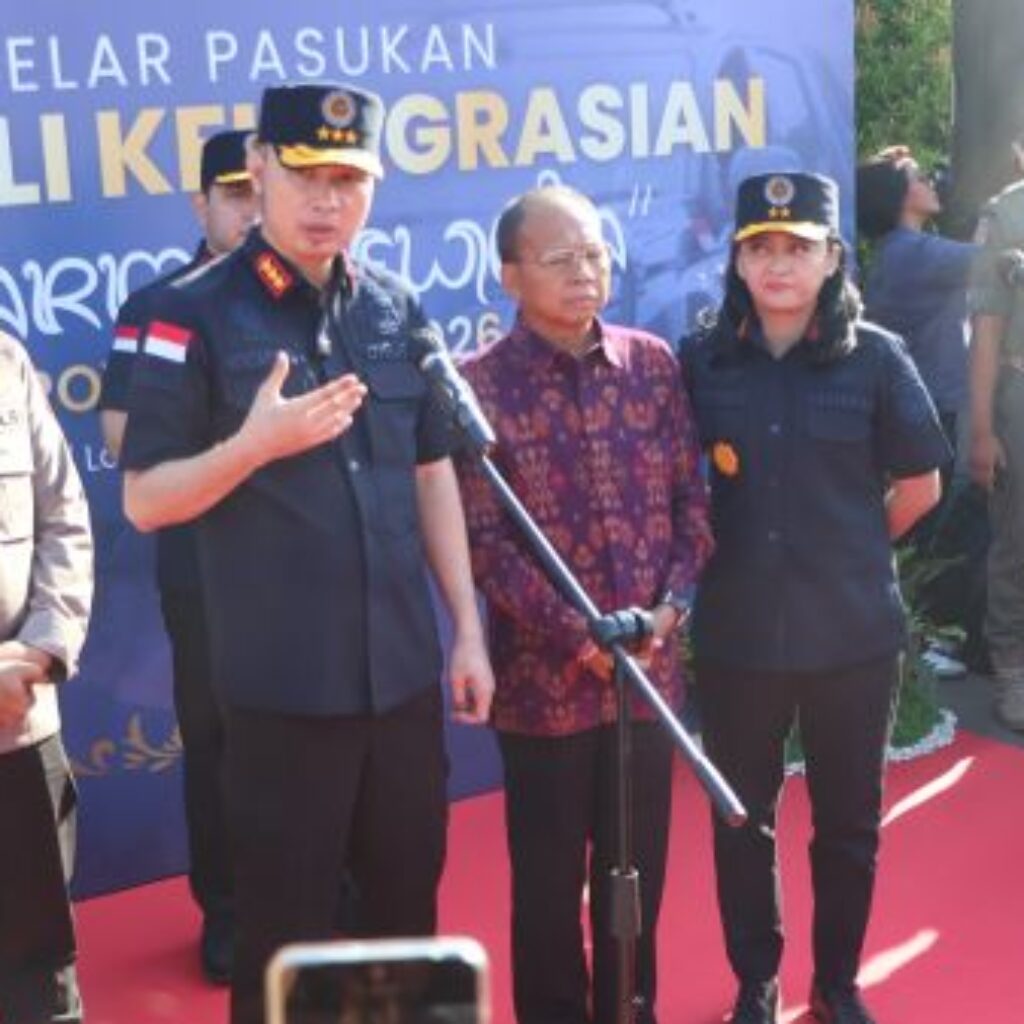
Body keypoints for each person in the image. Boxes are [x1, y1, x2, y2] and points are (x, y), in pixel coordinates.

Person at [118, 82, 495, 1024]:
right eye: (307, 176)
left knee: (405, 930)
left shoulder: (395, 309)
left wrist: (467, 630)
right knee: (284, 950)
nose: (329, 201)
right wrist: (253, 447)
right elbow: (145, 500)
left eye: (349, 180)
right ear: (259, 169)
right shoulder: (189, 312)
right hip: (283, 700)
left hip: (401, 685)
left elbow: (432, 474)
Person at [683, 172, 949, 1024]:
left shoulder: (877, 357)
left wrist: (853, 548)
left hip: (851, 637)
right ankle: (756, 982)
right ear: (737, 261)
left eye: (798, 247)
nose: (779, 264)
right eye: (760, 247)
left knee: (847, 825)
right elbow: (675, 487)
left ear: (833, 257)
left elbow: (922, 484)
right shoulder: (703, 359)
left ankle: (837, 982)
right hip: (739, 636)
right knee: (741, 818)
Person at [456, 185, 713, 1024]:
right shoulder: (476, 387)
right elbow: (484, 543)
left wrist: (667, 613)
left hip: (649, 677)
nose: (583, 273)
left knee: (636, 883)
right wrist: (580, 635)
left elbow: (692, 505)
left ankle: (629, 1012)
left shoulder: (652, 365)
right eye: (560, 258)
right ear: (510, 275)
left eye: (595, 254)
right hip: (546, 690)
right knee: (546, 888)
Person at [98, 127, 257, 984]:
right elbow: (124, 436)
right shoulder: (158, 305)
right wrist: (253, 441)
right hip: (206, 566)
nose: (253, 209)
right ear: (201, 205)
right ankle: (228, 912)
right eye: (235, 194)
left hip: (312, 570)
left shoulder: (321, 300)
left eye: (264, 189)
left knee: (322, 735)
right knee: (220, 740)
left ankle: (330, 890)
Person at [856, 147, 983, 679]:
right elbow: (994, 255)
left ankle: (920, 643)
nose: (933, 181)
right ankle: (928, 650)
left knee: (930, 532)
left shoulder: (897, 252)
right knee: (937, 533)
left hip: (919, 407)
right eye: (919, 176)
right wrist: (1000, 207)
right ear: (900, 195)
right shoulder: (914, 252)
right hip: (935, 409)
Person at [0, 333, 93, 1023]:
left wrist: (41, 649)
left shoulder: (5, 362)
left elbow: (65, 517)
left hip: (20, 722)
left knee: (43, 979)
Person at [968, 139, 1024, 731]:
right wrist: (982, 430)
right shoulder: (1006, 212)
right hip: (1020, 390)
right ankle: (1012, 669)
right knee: (1017, 538)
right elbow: (985, 329)